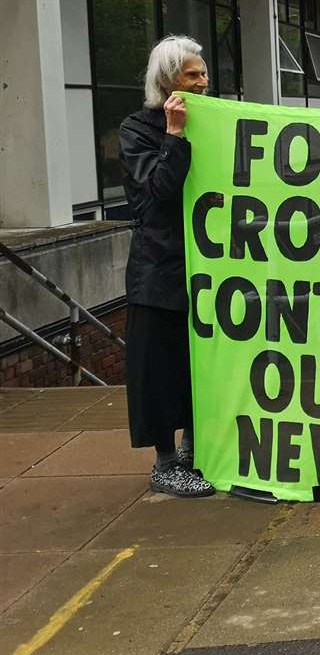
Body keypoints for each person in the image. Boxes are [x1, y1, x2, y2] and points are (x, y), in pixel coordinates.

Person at [119, 36, 215, 497]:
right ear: (167, 82)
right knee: (159, 367)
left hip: (209, 267)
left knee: (203, 363)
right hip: (159, 271)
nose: (203, 82)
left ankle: (198, 451)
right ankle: (166, 461)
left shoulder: (214, 124)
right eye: (193, 75)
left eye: (203, 73)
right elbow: (156, 193)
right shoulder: (137, 131)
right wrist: (174, 136)